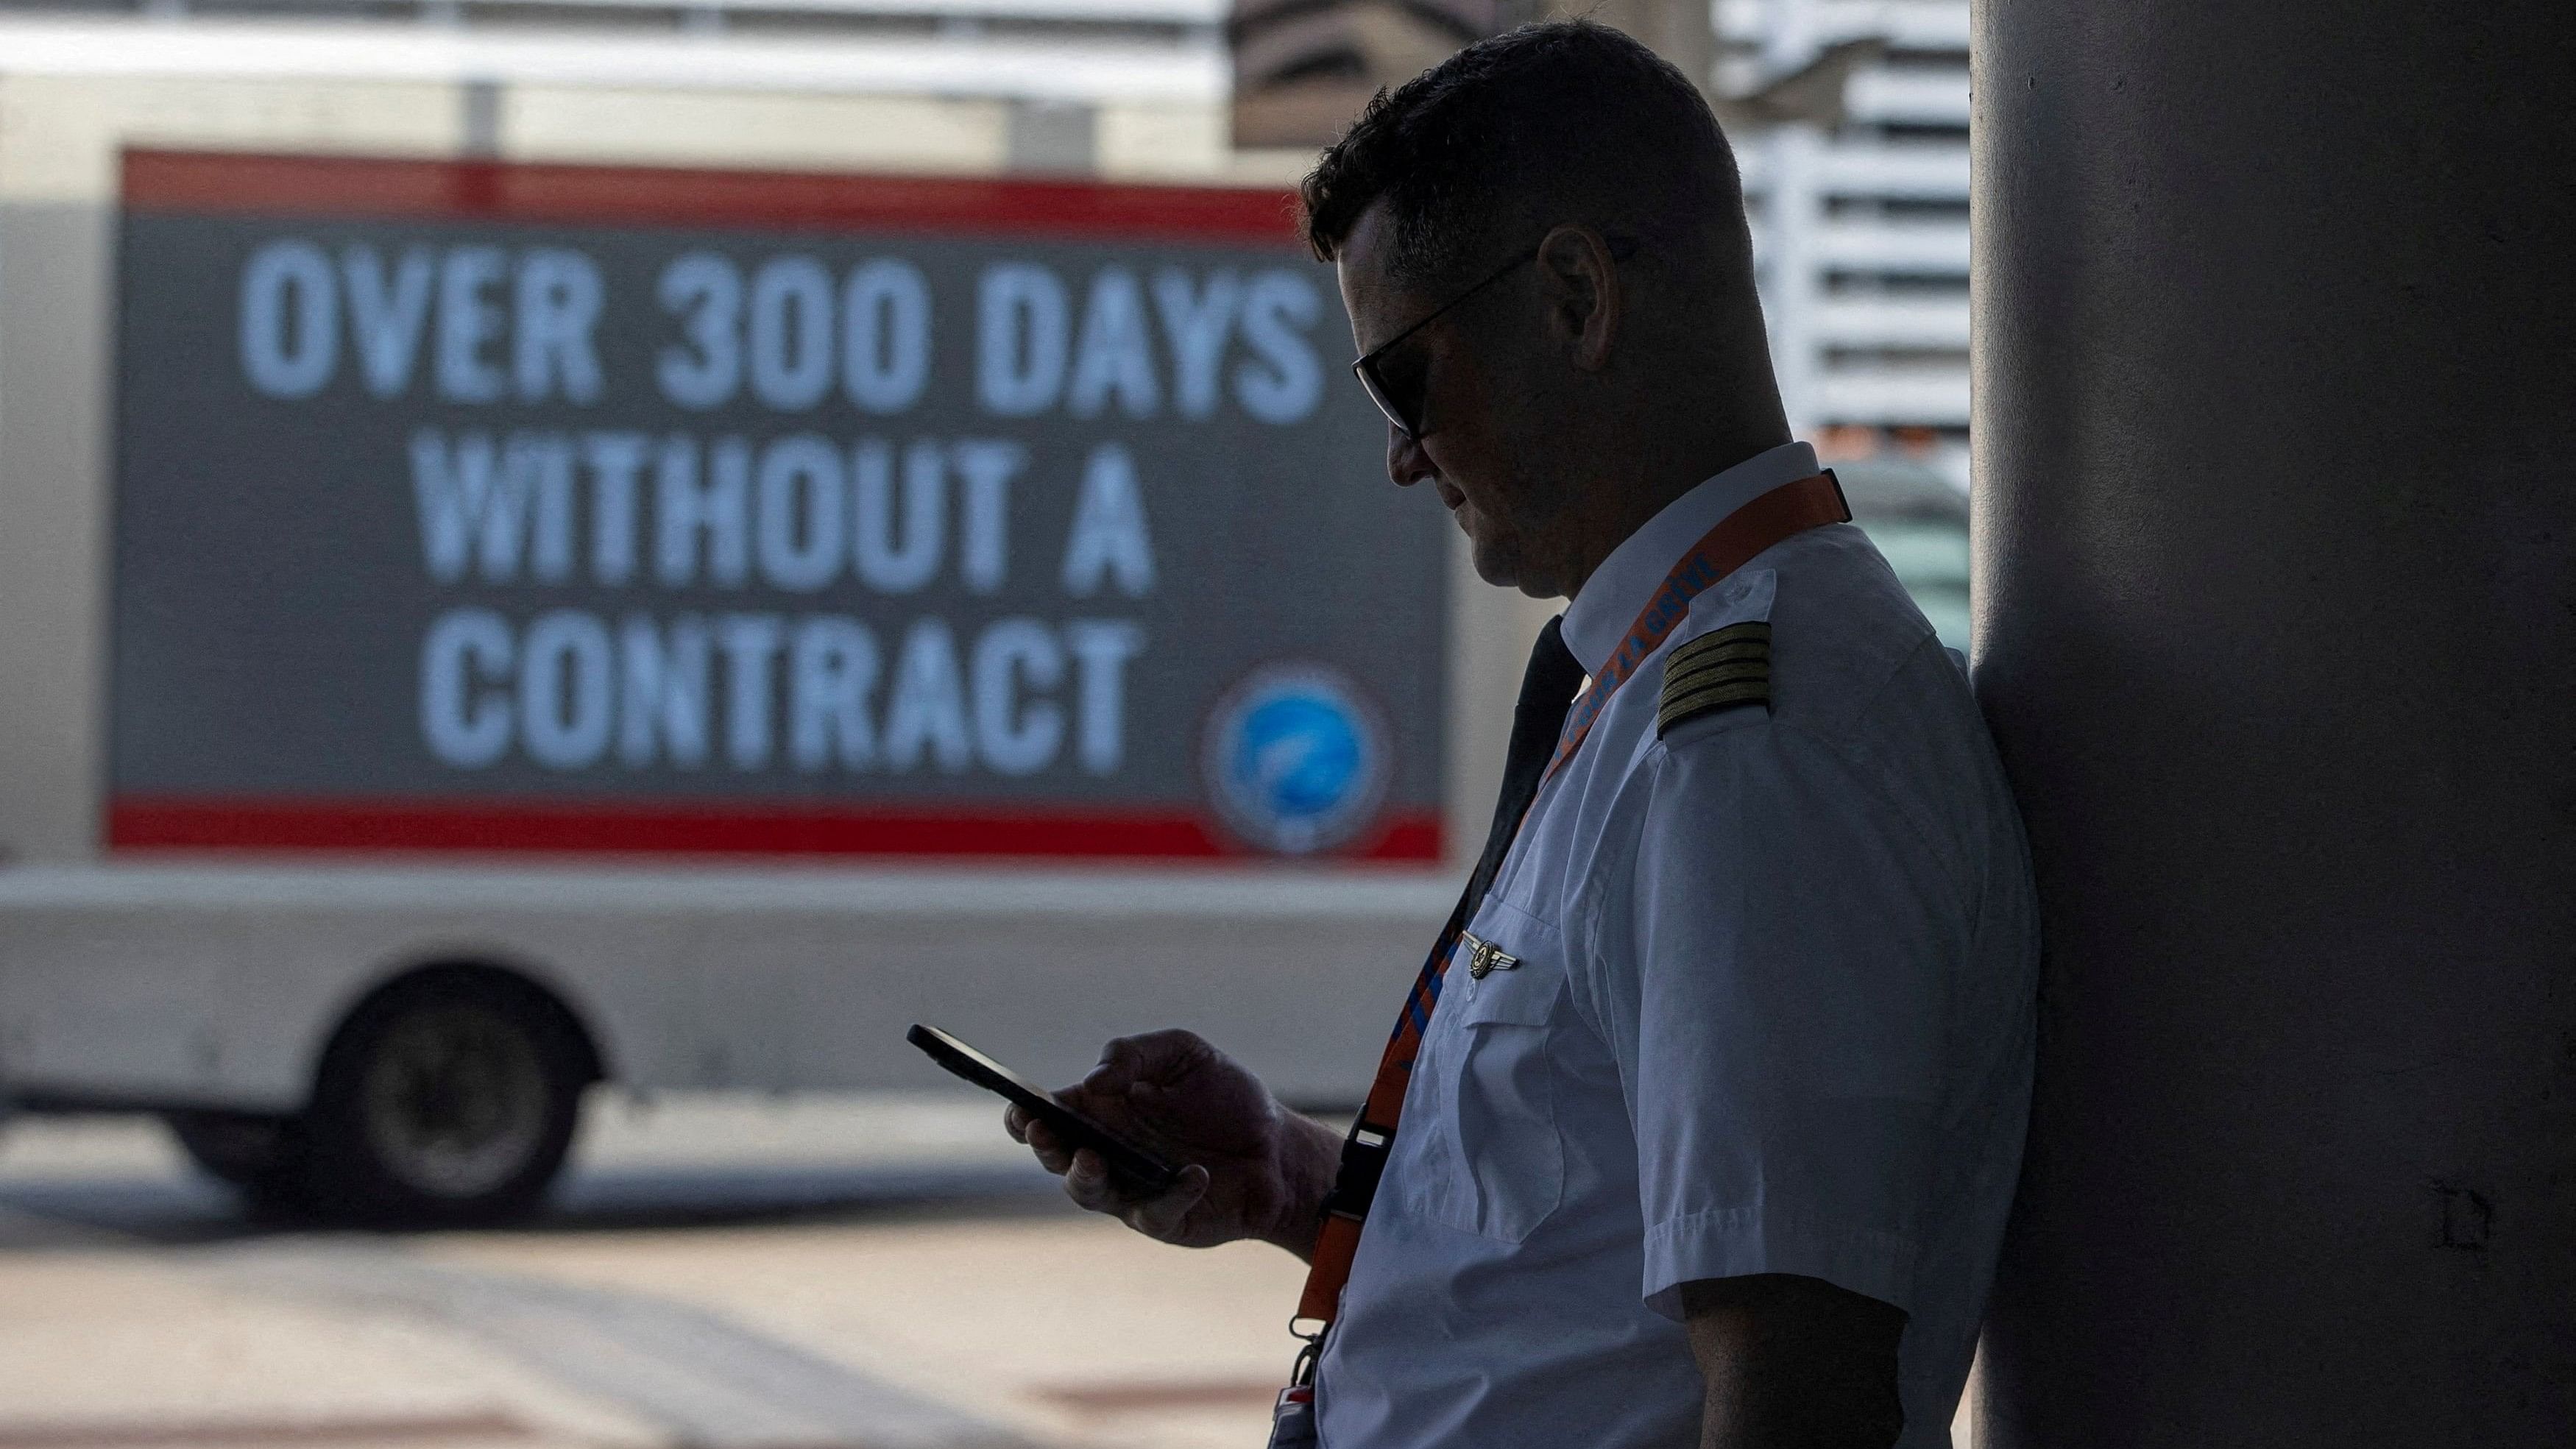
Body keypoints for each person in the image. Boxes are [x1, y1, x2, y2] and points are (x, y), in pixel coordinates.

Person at [1005, 21, 2037, 1449]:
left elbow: (1792, 1382)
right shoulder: (1649, 683)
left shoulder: (1753, 742)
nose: (1401, 454)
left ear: (1571, 296)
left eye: (1403, 382)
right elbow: (1581, 1244)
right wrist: (1294, 1176)